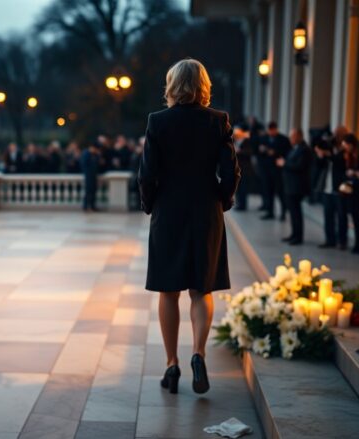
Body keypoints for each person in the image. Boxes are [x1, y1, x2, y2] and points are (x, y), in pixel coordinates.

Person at [138, 59, 240, 395]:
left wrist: (151, 205)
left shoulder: (157, 121)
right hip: (205, 212)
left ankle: (171, 363)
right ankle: (198, 353)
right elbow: (231, 172)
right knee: (201, 289)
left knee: (169, 290)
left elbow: (147, 173)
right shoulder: (218, 121)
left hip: (168, 212)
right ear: (203, 85)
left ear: (171, 85)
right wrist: (222, 201)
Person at [314, 126, 348, 249]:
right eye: (335, 133)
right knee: (328, 215)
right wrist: (321, 155)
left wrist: (328, 154)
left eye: (338, 134)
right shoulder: (329, 146)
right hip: (327, 186)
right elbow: (320, 164)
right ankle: (330, 240)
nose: (335, 136)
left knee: (341, 216)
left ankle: (342, 241)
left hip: (339, 187)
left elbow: (339, 162)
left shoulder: (345, 149)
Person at [277, 128, 312, 245]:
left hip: (297, 186)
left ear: (299, 136)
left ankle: (298, 236)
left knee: (296, 212)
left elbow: (299, 166)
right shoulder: (294, 149)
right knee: (292, 212)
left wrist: (284, 163)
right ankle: (294, 234)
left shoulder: (304, 149)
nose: (290, 139)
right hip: (289, 185)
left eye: (292, 136)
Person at [256, 122, 291, 220]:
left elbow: (287, 153)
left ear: (276, 129)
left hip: (278, 171)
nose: (271, 132)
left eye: (273, 130)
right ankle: (270, 212)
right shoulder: (264, 138)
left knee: (280, 192)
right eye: (270, 130)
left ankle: (283, 212)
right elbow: (259, 153)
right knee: (268, 191)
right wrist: (262, 151)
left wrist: (275, 152)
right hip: (266, 170)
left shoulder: (283, 139)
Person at [80, 143, 100, 212]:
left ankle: (92, 206)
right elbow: (84, 165)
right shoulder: (86, 154)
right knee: (88, 191)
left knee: (93, 191)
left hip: (93, 175)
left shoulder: (95, 155)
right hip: (88, 175)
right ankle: (86, 206)